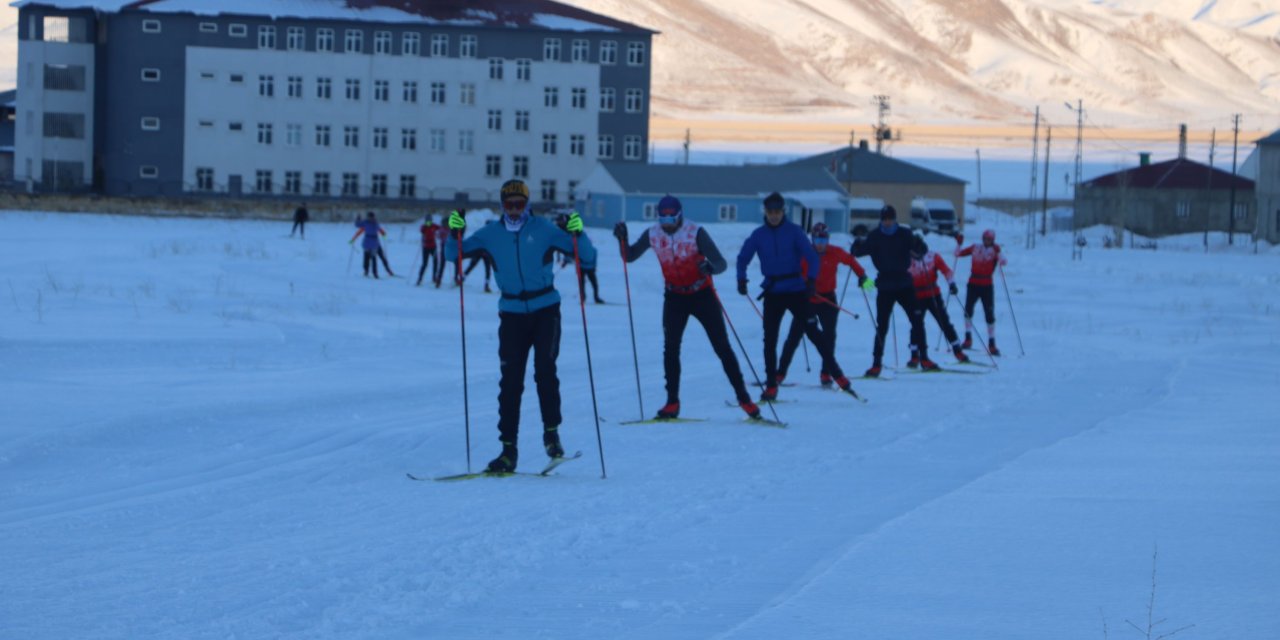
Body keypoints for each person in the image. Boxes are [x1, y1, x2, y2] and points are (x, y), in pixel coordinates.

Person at [444, 179, 595, 473]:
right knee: (510, 381)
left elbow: (586, 257)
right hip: (511, 313)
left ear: (527, 205)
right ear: (502, 205)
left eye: (520, 204)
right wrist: (455, 233)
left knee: (545, 371)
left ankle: (552, 435)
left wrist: (579, 232)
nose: (514, 210)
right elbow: (454, 255)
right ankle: (508, 451)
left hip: (545, 310)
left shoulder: (544, 230)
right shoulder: (490, 233)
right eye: (509, 204)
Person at [614, 195, 761, 420]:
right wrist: (622, 240)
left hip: (702, 294)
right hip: (674, 297)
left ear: (680, 215)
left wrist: (708, 267)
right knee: (671, 349)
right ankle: (672, 402)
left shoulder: (695, 232)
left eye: (671, 217)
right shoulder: (653, 234)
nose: (667, 222)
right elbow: (629, 257)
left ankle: (744, 398)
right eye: (662, 217)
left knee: (722, 346)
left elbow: (720, 263)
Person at [737, 192, 853, 401]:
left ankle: (837, 375)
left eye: (777, 212)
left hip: (796, 290)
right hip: (773, 292)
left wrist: (810, 280)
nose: (774, 216)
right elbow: (743, 257)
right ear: (766, 212)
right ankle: (772, 384)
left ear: (783, 212)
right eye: (770, 212)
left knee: (814, 334)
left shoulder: (794, 232)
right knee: (770, 339)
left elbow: (811, 257)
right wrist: (741, 278)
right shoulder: (758, 235)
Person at [777, 222, 867, 386]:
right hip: (807, 300)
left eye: (823, 240)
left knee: (829, 337)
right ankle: (780, 374)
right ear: (812, 239)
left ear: (828, 240)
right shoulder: (804, 254)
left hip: (828, 300)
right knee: (793, 338)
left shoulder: (835, 252)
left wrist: (862, 276)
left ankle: (826, 373)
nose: (820, 244)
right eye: (817, 240)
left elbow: (851, 261)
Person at [851, 205, 932, 376]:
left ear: (895, 219)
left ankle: (924, 357)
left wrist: (920, 244)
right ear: (881, 220)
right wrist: (857, 244)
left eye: (890, 218)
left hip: (904, 283)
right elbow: (857, 253)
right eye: (885, 219)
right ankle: (876, 363)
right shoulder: (875, 236)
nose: (887, 222)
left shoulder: (904, 233)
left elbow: (920, 252)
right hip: (885, 285)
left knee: (917, 320)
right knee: (882, 326)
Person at [907, 234, 969, 366]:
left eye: (916, 252)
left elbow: (947, 271)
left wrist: (952, 284)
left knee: (944, 322)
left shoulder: (932, 256)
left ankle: (957, 350)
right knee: (916, 325)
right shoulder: (906, 259)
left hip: (933, 295)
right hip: (915, 296)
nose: (914, 255)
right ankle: (914, 356)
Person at [955, 229, 1007, 356]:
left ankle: (992, 343)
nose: (986, 241)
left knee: (989, 313)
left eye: (989, 239)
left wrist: (999, 252)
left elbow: (1003, 262)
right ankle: (968, 338)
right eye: (985, 238)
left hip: (987, 286)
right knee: (968, 310)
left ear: (993, 240)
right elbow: (957, 254)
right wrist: (959, 244)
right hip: (973, 283)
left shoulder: (994, 250)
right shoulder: (975, 247)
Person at [557, 212, 604, 304]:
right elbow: (572, 251)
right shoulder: (575, 238)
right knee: (584, 282)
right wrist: (566, 260)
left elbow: (576, 251)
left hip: (588, 264)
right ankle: (585, 298)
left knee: (590, 282)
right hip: (583, 264)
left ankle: (594, 297)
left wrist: (566, 261)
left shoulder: (580, 237)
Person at [350, 212, 390, 278]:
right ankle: (366, 271)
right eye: (370, 217)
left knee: (374, 258)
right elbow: (357, 225)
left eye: (372, 217)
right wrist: (358, 219)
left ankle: (375, 273)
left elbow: (379, 229)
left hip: (374, 242)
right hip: (367, 242)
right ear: (368, 217)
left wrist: (384, 234)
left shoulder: (376, 223)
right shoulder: (365, 222)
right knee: (366, 257)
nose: (371, 218)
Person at [416, 214, 440, 287]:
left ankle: (434, 277)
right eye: (427, 221)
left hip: (433, 247)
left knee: (435, 262)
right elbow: (421, 231)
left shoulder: (434, 226)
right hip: (426, 247)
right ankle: (420, 279)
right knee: (425, 264)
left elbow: (440, 228)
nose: (428, 223)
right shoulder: (424, 227)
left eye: (430, 221)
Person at [433, 216, 451, 287]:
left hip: (448, 247)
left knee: (443, 264)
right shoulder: (442, 229)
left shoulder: (450, 230)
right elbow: (437, 236)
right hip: (443, 247)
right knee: (441, 263)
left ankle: (439, 279)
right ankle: (438, 279)